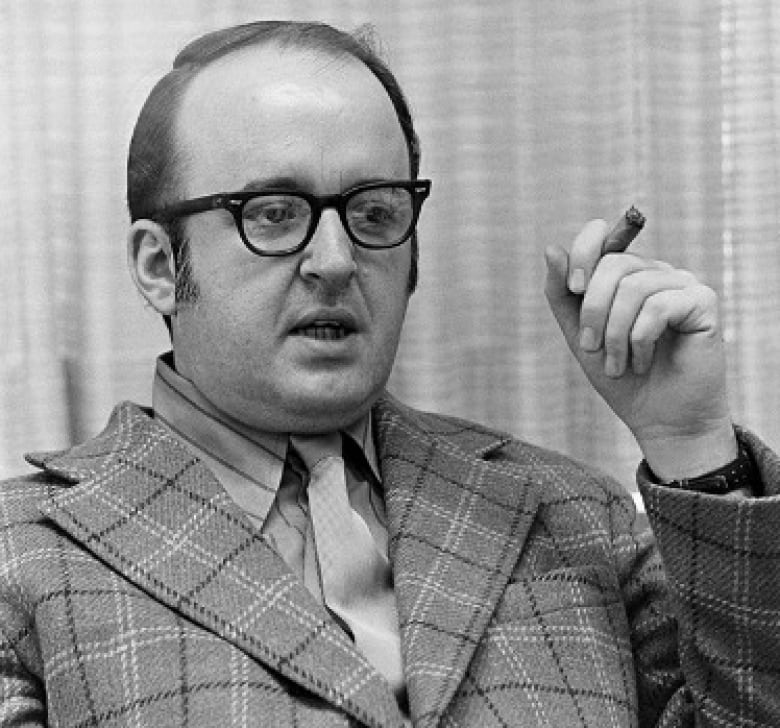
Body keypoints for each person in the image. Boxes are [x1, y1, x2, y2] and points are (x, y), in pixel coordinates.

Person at [0, 19, 777, 728]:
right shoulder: (22, 557)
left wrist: (692, 446)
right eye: (273, 212)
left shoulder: (576, 516)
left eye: (373, 211)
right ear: (161, 265)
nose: (336, 261)